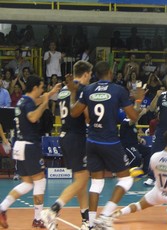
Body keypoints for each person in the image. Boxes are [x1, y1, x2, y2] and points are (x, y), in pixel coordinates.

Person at [53, 61, 144, 230]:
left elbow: (74, 112)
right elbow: (134, 117)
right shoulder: (118, 90)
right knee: (125, 179)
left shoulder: (88, 89)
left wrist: (73, 93)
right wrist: (139, 99)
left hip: (91, 141)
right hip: (109, 141)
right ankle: (105, 216)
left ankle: (91, 224)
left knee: (96, 183)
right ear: (110, 72)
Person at [0, 75, 61, 229]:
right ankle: (38, 219)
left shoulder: (23, 100)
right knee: (40, 181)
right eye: (41, 88)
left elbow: (37, 101)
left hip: (19, 145)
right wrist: (46, 102)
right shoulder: (28, 103)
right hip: (29, 146)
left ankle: (2, 208)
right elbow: (33, 117)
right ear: (35, 88)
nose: (42, 91)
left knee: (27, 183)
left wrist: (50, 92)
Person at [41, 61, 93, 230]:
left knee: (81, 180)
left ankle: (86, 221)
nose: (91, 77)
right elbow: (87, 117)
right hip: (76, 137)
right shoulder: (81, 89)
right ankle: (53, 209)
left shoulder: (65, 90)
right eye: (90, 74)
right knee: (84, 178)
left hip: (65, 136)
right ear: (85, 74)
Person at [112, 129, 167, 225]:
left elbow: (155, 171)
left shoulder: (154, 156)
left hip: (158, 192)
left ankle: (120, 212)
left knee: (139, 205)